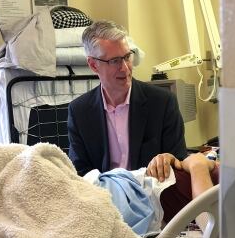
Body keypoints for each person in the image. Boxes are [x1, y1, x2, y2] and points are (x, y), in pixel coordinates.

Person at [67, 20, 187, 179]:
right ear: (93, 65)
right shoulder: (79, 111)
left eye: (127, 56)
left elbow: (178, 162)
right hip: (103, 197)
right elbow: (80, 172)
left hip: (151, 194)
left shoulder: (162, 103)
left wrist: (167, 160)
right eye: (114, 61)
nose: (124, 68)